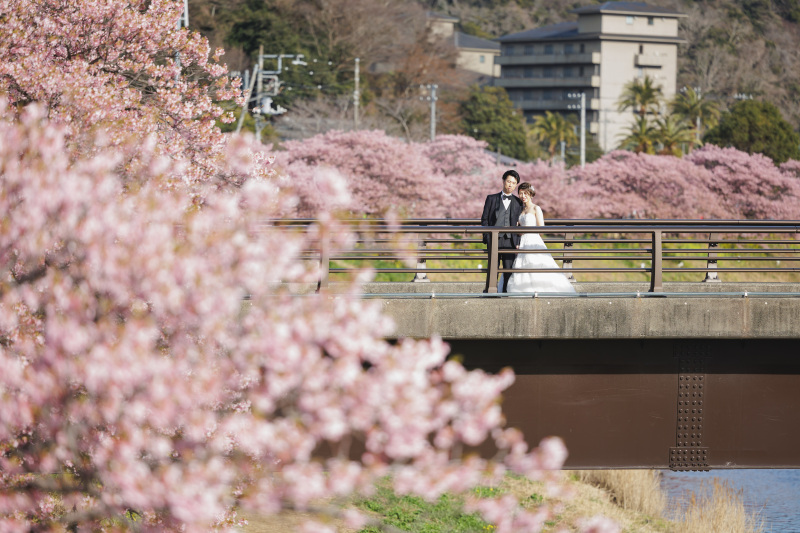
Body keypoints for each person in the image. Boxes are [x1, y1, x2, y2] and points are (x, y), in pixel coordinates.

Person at [507, 182, 576, 294]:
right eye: (520, 194)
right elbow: (518, 228)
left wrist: (526, 231)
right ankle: (524, 290)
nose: (523, 196)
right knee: (522, 266)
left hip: (533, 240)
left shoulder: (536, 208)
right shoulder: (520, 210)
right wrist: (519, 233)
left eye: (525, 193)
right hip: (522, 241)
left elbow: (541, 228)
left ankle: (540, 289)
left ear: (531, 194)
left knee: (536, 264)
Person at [481, 170, 523, 293]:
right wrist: (487, 237)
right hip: (494, 239)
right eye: (509, 181)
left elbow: (521, 223)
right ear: (503, 181)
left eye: (514, 183)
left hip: (510, 240)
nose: (510, 185)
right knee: (492, 267)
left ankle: (506, 293)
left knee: (508, 269)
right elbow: (484, 219)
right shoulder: (491, 198)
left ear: (516, 185)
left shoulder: (518, 202)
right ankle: (490, 292)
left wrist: (518, 240)